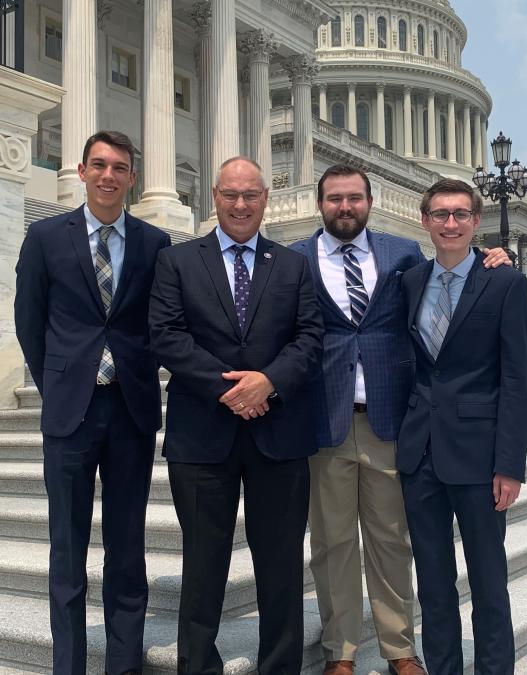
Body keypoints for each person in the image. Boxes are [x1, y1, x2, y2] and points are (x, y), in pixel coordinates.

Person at [289, 166, 509, 675]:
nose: (345, 207)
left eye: (354, 198)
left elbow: (451, 282)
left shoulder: (402, 255)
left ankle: (399, 648)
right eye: (335, 199)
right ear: (319, 203)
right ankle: (340, 650)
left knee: (391, 538)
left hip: (391, 418)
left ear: (371, 201)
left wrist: (495, 256)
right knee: (332, 542)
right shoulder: (296, 259)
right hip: (325, 421)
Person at [149, 156, 324, 675]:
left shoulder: (292, 265)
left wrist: (268, 381)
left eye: (251, 195)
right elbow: (166, 335)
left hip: (280, 435)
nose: (241, 205)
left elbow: (310, 338)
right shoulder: (177, 262)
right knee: (203, 564)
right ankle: (197, 665)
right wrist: (228, 390)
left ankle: (280, 666)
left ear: (266, 198)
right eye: (231, 194)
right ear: (214, 197)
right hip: (202, 435)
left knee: (281, 565)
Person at [14, 130, 171, 675]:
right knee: (67, 551)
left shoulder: (155, 244)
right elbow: (29, 321)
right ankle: (70, 666)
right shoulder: (45, 237)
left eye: (120, 168)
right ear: (80, 171)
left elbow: (160, 324)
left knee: (127, 549)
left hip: (130, 410)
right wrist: (56, 380)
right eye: (99, 165)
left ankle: (123, 666)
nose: (109, 176)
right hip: (70, 412)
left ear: (133, 178)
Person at [397, 178, 527, 675]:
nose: (449, 223)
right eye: (439, 214)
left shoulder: (505, 282)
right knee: (433, 583)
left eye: (459, 214)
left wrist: (510, 465)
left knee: (489, 582)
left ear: (476, 222)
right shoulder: (411, 281)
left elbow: (516, 379)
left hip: (480, 457)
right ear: (425, 220)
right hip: (421, 456)